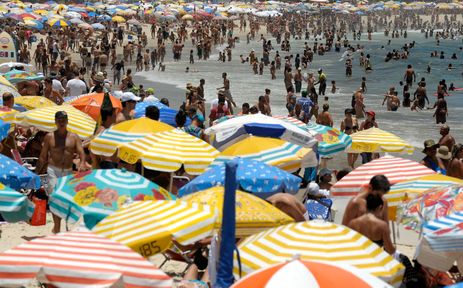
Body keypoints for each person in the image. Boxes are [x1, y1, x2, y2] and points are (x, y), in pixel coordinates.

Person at [36, 111, 86, 233]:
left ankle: (63, 223)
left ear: (67, 121)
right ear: (55, 122)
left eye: (64, 119)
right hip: (53, 170)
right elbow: (43, 156)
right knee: (54, 198)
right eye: (59, 119)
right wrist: (36, 172)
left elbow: (81, 152)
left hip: (68, 172)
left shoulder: (74, 137)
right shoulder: (49, 137)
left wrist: (82, 162)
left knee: (65, 199)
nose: (61, 121)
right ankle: (57, 226)